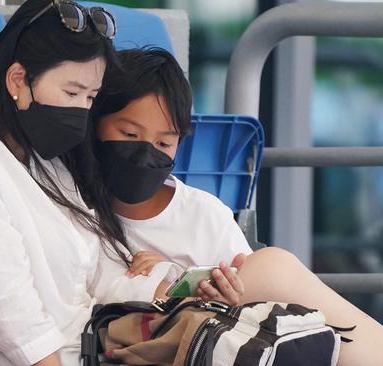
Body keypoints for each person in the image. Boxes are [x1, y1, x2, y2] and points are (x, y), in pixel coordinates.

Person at [88, 46, 383, 366]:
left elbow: (245, 312)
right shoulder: (73, 204)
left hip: (213, 343)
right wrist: (162, 284)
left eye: (163, 144)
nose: (146, 153)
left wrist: (220, 295)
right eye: (129, 133)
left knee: (270, 272)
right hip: (143, 346)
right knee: (272, 267)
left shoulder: (202, 215)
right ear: (95, 124)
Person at [0, 1, 174, 365]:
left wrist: (171, 291)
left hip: (91, 349)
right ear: (18, 81)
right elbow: (2, 296)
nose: (81, 110)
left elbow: (98, 273)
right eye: (71, 93)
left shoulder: (49, 162)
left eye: (90, 97)